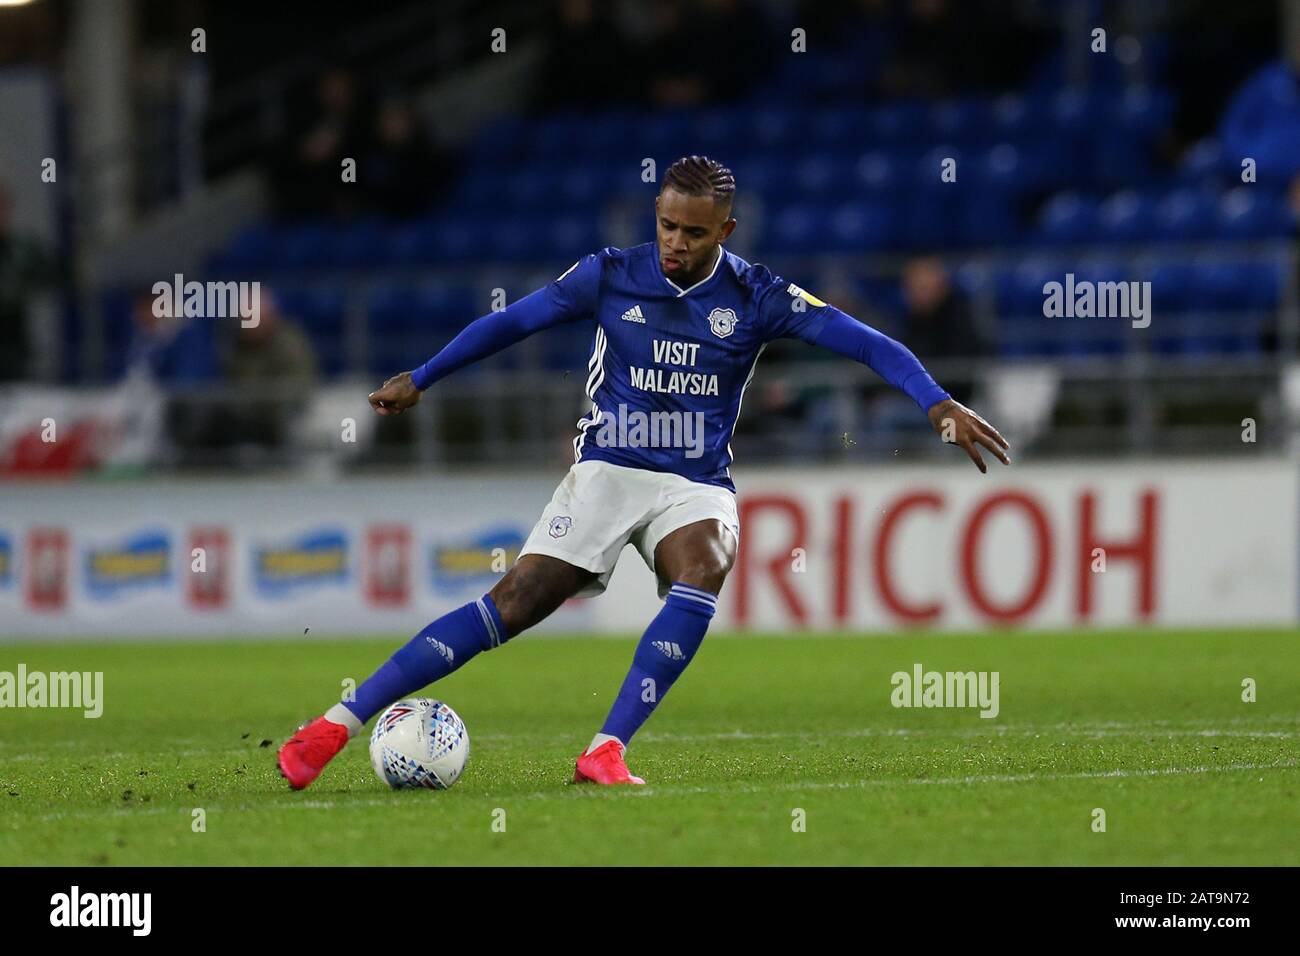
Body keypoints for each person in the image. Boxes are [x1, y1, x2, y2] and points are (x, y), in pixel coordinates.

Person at [277, 156, 1010, 790]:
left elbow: (868, 343)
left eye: (694, 232)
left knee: (708, 562)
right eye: (666, 225)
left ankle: (605, 749)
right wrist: (426, 375)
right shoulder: (609, 274)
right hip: (607, 468)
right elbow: (512, 322)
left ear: (725, 231)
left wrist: (936, 401)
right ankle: (333, 727)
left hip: (693, 483)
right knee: (518, 601)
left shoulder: (758, 296)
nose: (675, 244)